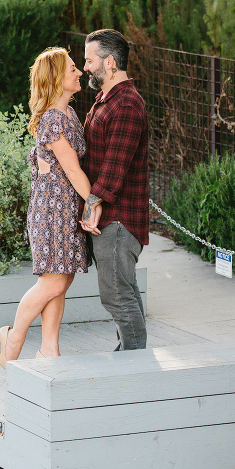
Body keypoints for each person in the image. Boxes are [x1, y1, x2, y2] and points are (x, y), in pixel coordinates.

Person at [0, 47, 92, 368]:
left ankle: (50, 349)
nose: (80, 73)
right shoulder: (52, 120)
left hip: (65, 208)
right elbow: (73, 170)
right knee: (54, 281)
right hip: (51, 211)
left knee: (61, 278)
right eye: (73, 69)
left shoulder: (70, 115)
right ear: (55, 79)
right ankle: (14, 335)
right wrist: (93, 204)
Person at [79, 29, 149, 350]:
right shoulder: (107, 99)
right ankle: (131, 358)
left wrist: (92, 206)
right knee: (125, 294)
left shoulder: (126, 104)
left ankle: (135, 368)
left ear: (109, 62)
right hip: (111, 222)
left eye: (89, 60)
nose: (85, 67)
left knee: (117, 297)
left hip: (118, 223)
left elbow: (113, 169)